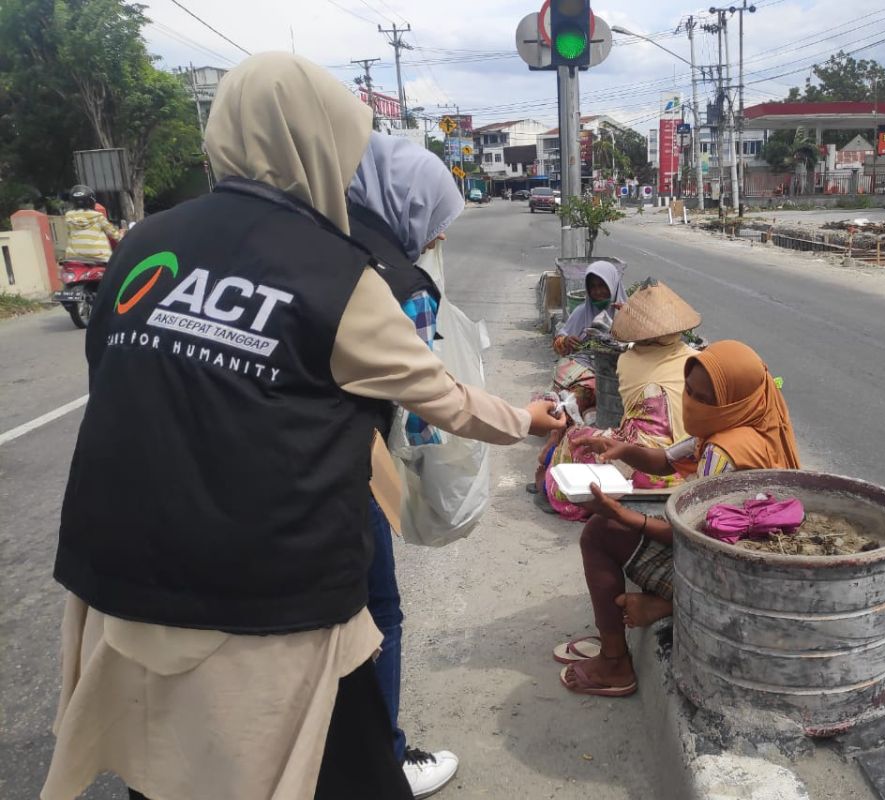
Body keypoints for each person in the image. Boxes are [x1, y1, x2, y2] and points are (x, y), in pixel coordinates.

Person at [42, 52, 565, 800]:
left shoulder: (143, 243)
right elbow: (444, 400)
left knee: (162, 770)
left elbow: (118, 380)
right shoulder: (336, 273)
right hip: (267, 595)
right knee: (340, 770)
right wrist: (527, 422)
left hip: (121, 571)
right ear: (318, 145)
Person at [556, 340, 801, 697]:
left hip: (725, 579)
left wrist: (622, 515)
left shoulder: (723, 451)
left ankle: (614, 661)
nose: (691, 401)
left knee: (598, 533)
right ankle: (658, 607)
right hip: (739, 564)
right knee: (617, 522)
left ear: (733, 401)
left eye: (704, 397)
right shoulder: (747, 424)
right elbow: (665, 460)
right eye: (689, 389)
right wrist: (622, 449)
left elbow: (690, 536)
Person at [346, 132, 463, 797]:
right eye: (436, 223)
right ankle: (382, 762)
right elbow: (426, 409)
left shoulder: (312, 240)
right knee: (377, 612)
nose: (437, 240)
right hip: (342, 471)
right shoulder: (402, 280)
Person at [541, 280, 700, 520]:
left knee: (576, 438)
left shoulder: (628, 360)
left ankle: (559, 494)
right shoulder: (696, 358)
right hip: (686, 462)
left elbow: (629, 417)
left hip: (648, 465)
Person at [549, 261, 627, 414]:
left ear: (612, 284)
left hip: (614, 375)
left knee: (575, 399)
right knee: (559, 394)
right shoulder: (582, 311)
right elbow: (558, 343)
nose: (597, 292)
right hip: (581, 368)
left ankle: (561, 422)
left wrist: (627, 320)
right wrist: (566, 341)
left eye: (602, 285)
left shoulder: (628, 312)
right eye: (593, 287)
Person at [63, 184, 122, 263]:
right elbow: (113, 234)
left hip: (74, 257)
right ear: (91, 201)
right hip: (100, 257)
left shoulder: (68, 217)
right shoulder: (98, 216)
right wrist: (122, 239)